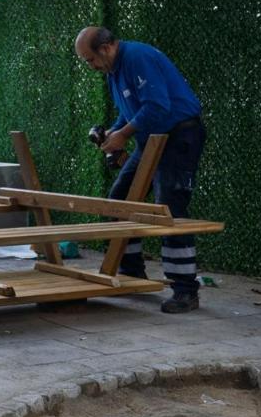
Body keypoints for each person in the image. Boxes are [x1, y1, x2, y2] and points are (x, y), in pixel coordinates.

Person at [75, 26, 206, 313]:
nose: (90, 66)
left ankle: (185, 290)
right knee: (119, 200)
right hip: (151, 139)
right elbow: (131, 110)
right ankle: (131, 272)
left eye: (90, 59)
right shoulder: (114, 69)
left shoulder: (137, 57)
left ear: (106, 47)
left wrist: (122, 136)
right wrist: (114, 131)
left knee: (169, 209)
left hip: (178, 135)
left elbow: (157, 106)